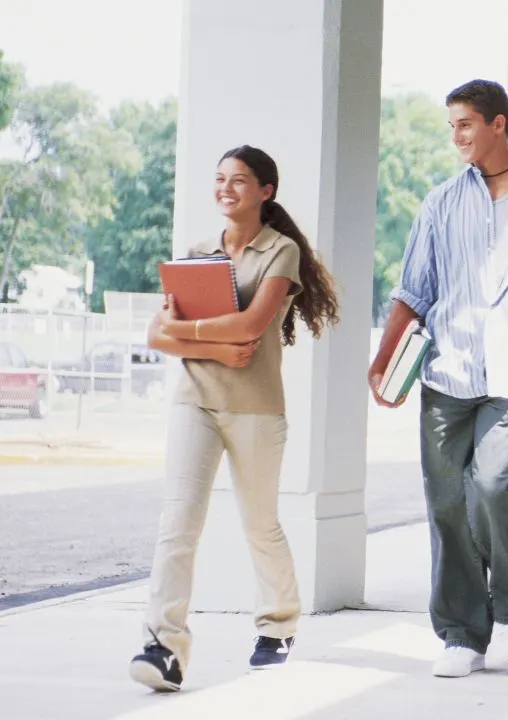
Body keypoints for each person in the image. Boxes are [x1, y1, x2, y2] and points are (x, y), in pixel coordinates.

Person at [366, 80, 508, 679]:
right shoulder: (441, 201)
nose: (456, 136)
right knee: (446, 505)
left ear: (499, 124)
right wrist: (383, 354)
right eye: (451, 125)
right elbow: (413, 290)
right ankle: (461, 633)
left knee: (496, 489)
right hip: (447, 373)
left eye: (465, 123)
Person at [129, 145, 340, 692]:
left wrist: (197, 334)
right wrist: (214, 349)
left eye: (239, 180)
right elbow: (155, 334)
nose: (226, 188)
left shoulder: (281, 251)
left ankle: (278, 627)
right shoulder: (197, 253)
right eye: (220, 178)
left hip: (256, 409)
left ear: (266, 191)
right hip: (195, 399)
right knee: (177, 525)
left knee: (259, 524)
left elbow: (251, 324)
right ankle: (163, 645)